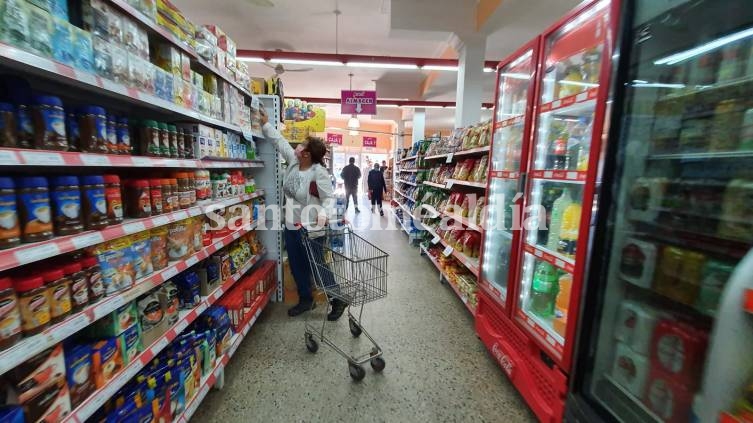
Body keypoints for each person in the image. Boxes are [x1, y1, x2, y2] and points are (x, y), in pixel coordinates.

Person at [259, 108, 347, 320]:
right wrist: (265, 124)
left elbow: (328, 198)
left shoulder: (319, 173)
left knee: (317, 266)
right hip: (291, 225)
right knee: (297, 265)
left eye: (302, 147)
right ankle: (305, 299)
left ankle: (337, 298)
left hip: (311, 228)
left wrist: (324, 215)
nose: (297, 148)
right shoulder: (293, 162)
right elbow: (280, 142)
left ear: (308, 154)